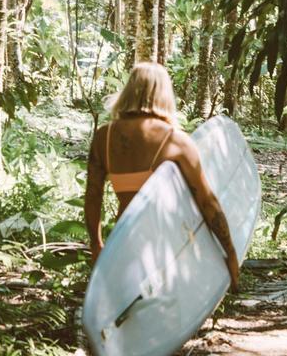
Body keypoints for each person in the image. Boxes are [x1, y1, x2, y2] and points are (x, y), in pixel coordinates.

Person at [84, 62, 239, 291]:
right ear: (164, 94)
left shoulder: (103, 137)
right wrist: (231, 253)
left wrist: (96, 244)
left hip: (122, 246)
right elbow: (207, 202)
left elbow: (93, 195)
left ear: (129, 91)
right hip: (168, 251)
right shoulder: (175, 140)